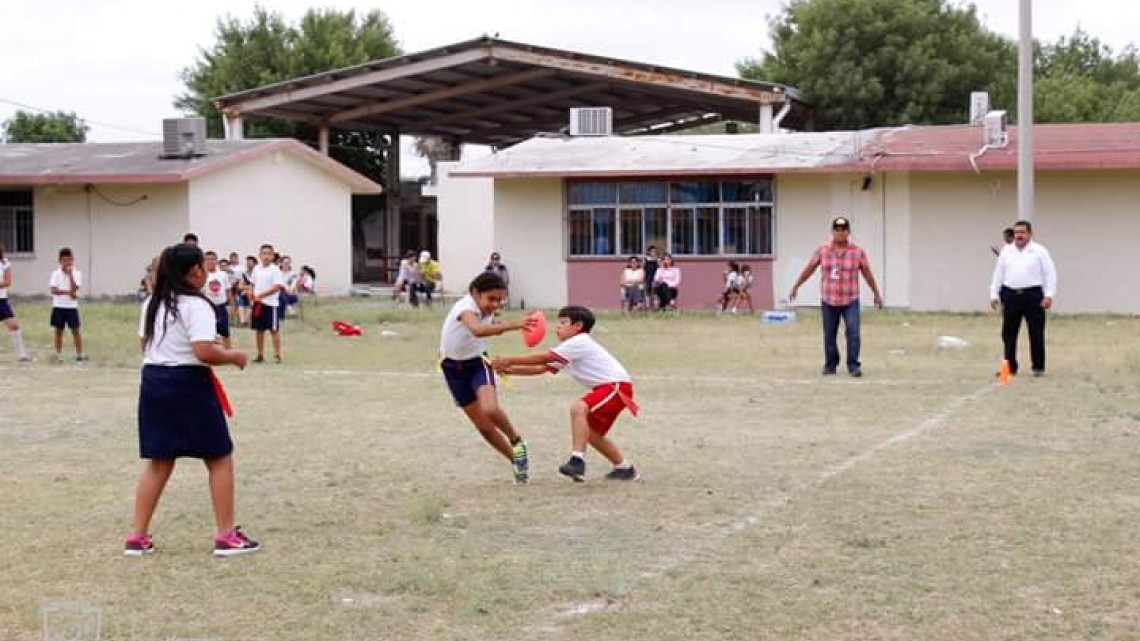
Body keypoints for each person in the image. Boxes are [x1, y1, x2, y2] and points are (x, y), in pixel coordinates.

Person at [126, 243, 259, 558]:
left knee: (159, 461)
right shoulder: (197, 306)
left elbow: (145, 345)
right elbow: (204, 351)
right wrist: (233, 355)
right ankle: (226, 535)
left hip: (154, 382)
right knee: (219, 458)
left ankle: (137, 536)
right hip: (187, 383)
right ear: (196, 271)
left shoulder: (152, 304)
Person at [491, 305, 639, 483]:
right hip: (612, 389)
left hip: (616, 387)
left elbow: (545, 358)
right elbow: (543, 368)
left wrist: (510, 360)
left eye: (563, 323)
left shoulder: (580, 341)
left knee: (578, 408)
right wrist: (509, 370)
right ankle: (624, 468)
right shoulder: (569, 349)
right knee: (590, 433)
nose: (557, 327)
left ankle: (577, 460)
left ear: (578, 326)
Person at [438, 272, 532, 484]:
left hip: (478, 364)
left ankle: (517, 441)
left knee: (490, 409)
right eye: (491, 299)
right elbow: (478, 330)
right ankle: (517, 462)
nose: (495, 304)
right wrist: (514, 325)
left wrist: (506, 323)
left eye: (500, 300)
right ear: (475, 293)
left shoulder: (484, 308)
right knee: (484, 428)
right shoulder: (465, 308)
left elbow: (486, 326)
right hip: (452, 368)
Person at [788, 216, 883, 377]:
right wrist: (796, 286)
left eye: (844, 230)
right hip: (829, 299)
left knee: (853, 333)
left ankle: (853, 365)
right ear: (832, 232)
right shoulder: (823, 250)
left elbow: (867, 273)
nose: (840, 233)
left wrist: (876, 294)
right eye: (837, 230)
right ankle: (830, 364)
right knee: (829, 334)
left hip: (850, 299)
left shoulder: (857, 252)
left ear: (848, 232)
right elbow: (809, 268)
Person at [989, 220, 1057, 377]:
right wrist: (994, 294)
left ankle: (1038, 366)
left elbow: (1050, 274)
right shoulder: (1007, 251)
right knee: (1008, 333)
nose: (1019, 235)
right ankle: (1010, 367)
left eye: (1022, 232)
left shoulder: (1039, 251)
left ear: (1030, 234)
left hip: (1033, 295)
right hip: (1010, 294)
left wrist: (1049, 295)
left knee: (1036, 332)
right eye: (1017, 232)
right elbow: (998, 274)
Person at [249, 244, 285, 363]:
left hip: (271, 304)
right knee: (259, 330)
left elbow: (276, 287)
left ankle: (277, 355)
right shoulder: (256, 269)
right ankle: (260, 355)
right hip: (258, 304)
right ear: (260, 255)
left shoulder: (275, 269)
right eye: (264, 253)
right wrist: (252, 295)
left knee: (273, 330)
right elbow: (252, 284)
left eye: (269, 254)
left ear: (273, 256)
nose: (266, 256)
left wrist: (261, 295)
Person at [49, 247, 86, 362]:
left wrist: (70, 276)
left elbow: (75, 288)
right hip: (58, 306)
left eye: (70, 260)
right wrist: (68, 292)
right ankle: (58, 355)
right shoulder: (55, 273)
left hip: (71, 307)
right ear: (60, 261)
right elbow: (54, 290)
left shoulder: (77, 273)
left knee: (75, 330)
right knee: (58, 331)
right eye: (65, 260)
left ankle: (79, 355)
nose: (67, 263)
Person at [0, 246, 32, 362]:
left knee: (14, 326)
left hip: (1, 301)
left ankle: (22, 355)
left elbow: (7, 282)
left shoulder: (4, 262)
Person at [203, 251, 233, 349]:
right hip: (207, 307)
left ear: (216, 261)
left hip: (221, 306)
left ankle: (228, 352)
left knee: (225, 332)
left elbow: (228, 290)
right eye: (208, 259)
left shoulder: (223, 274)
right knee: (208, 332)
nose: (210, 262)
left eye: (213, 259)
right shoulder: (202, 275)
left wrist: (231, 305)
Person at [278, 255, 300, 320]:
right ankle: (288, 307)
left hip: (291, 295)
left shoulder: (293, 274)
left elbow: (293, 284)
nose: (286, 264)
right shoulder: (277, 273)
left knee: (281, 295)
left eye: (288, 263)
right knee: (280, 294)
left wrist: (290, 289)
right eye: (285, 263)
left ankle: (281, 316)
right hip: (279, 294)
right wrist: (285, 287)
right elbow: (278, 283)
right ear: (281, 263)